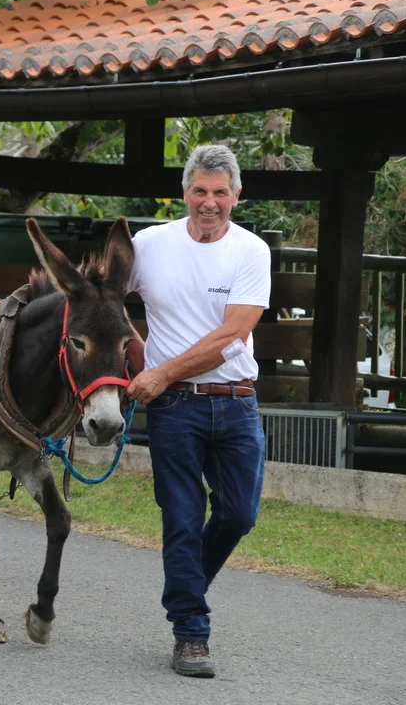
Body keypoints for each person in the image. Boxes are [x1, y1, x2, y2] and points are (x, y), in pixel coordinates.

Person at [125, 144, 271, 679]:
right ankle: (191, 633)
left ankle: (184, 587)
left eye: (220, 193)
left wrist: (160, 371)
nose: (210, 202)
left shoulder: (251, 250)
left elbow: (233, 334)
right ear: (184, 192)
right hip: (173, 409)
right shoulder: (147, 245)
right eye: (200, 191)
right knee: (182, 519)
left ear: (237, 195)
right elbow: (101, 302)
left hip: (235, 401)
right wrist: (138, 356)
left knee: (239, 515)